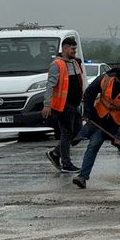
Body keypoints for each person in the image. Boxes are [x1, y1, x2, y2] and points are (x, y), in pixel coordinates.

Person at [72, 66, 120, 189]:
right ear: (117, 78)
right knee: (93, 145)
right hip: (101, 119)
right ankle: (82, 177)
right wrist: (88, 113)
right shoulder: (105, 79)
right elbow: (89, 93)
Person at [42, 36, 85, 173]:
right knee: (67, 133)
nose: (74, 51)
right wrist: (47, 104)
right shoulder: (57, 64)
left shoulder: (74, 63)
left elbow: (79, 82)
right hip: (64, 105)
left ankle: (56, 153)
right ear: (65, 48)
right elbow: (50, 86)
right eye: (72, 49)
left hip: (74, 104)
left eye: (75, 49)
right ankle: (66, 163)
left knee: (78, 131)